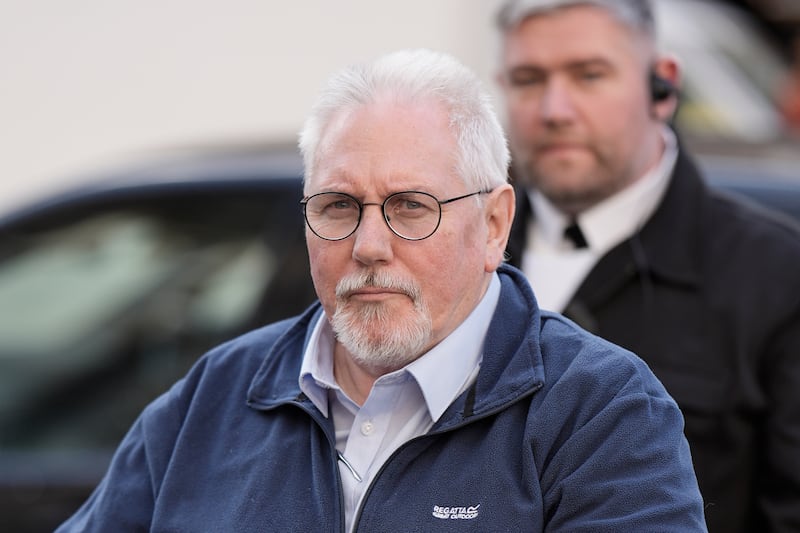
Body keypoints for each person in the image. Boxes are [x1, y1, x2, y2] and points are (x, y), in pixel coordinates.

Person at [56, 48, 706, 532]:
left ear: (494, 224)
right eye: (339, 205)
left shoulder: (599, 411)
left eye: (410, 205)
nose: (368, 244)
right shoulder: (215, 396)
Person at [495, 1, 800, 532]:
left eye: (589, 75)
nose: (554, 108)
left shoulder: (777, 276)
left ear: (663, 85)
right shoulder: (446, 252)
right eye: (528, 78)